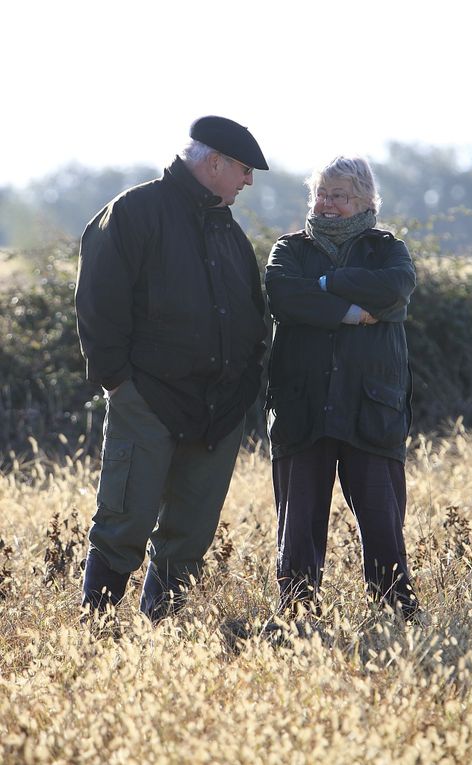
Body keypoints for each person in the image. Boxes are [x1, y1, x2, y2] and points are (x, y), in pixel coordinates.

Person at [75, 115, 268, 624]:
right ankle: (92, 639)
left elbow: (253, 310)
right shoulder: (133, 212)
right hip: (149, 398)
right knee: (124, 522)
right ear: (214, 162)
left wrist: (245, 383)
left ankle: (161, 639)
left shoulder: (227, 228)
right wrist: (120, 383)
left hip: (220, 408)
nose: (248, 181)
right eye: (244, 170)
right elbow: (97, 303)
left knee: (190, 533)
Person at [265, 155, 419, 620]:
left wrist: (327, 283)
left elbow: (396, 287)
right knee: (298, 526)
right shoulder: (289, 249)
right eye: (322, 194)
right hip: (301, 407)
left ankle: (396, 615)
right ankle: (296, 618)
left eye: (340, 196)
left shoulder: (387, 250)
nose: (327, 204)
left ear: (367, 200)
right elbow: (282, 295)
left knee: (382, 522)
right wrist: (353, 310)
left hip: (372, 407)